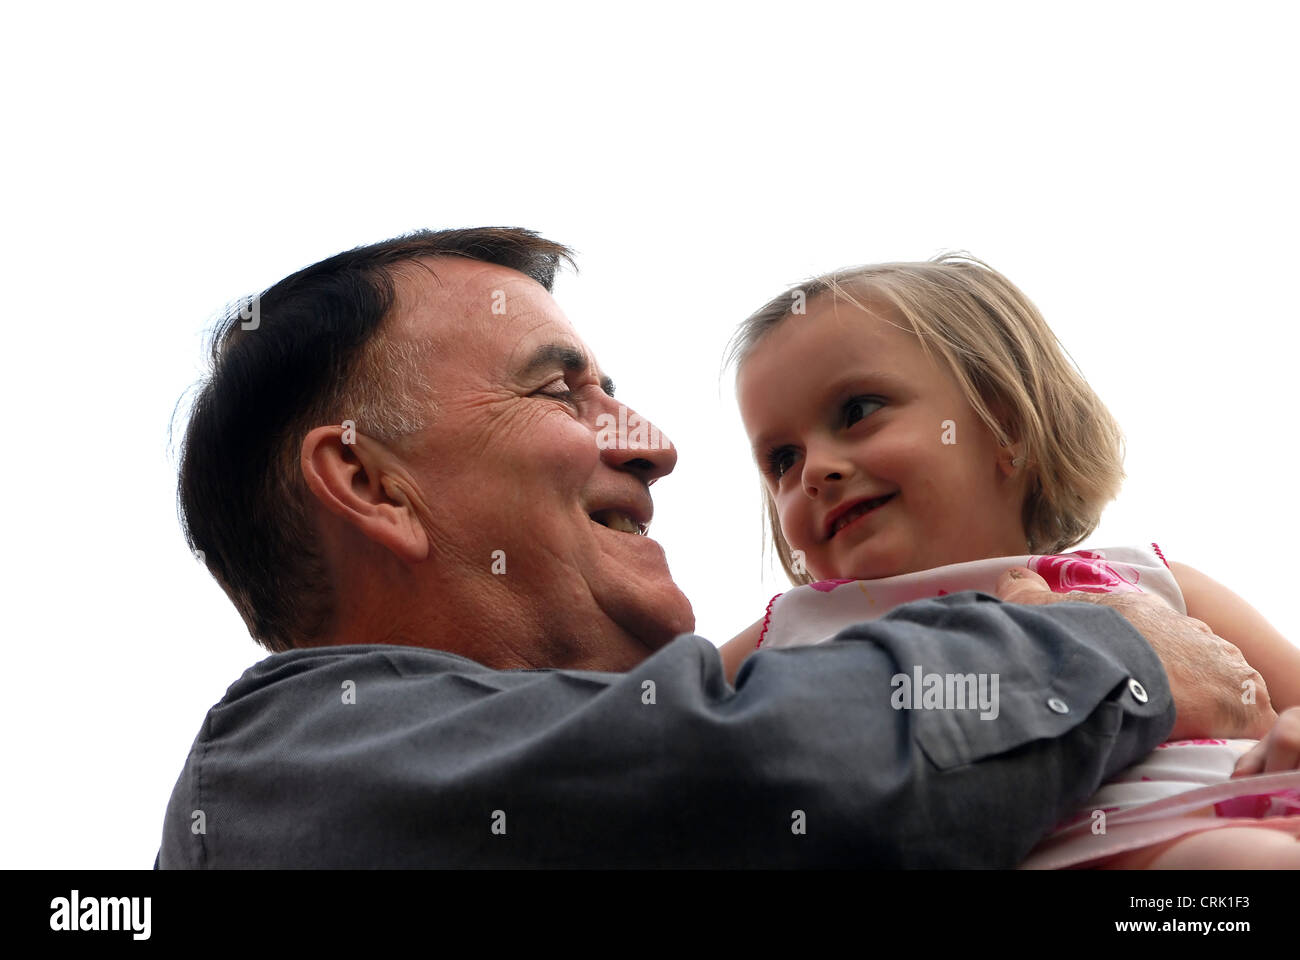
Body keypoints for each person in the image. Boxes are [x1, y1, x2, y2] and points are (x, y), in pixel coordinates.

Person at [156, 229, 1273, 868]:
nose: (658, 451)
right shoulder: (281, 781)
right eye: (560, 390)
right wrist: (1097, 657)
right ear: (368, 484)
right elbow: (750, 763)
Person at [720, 253, 1300, 867]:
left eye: (858, 412)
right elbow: (628, 734)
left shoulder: (1151, 580)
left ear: (1004, 423)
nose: (814, 470)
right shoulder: (788, 629)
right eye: (782, 458)